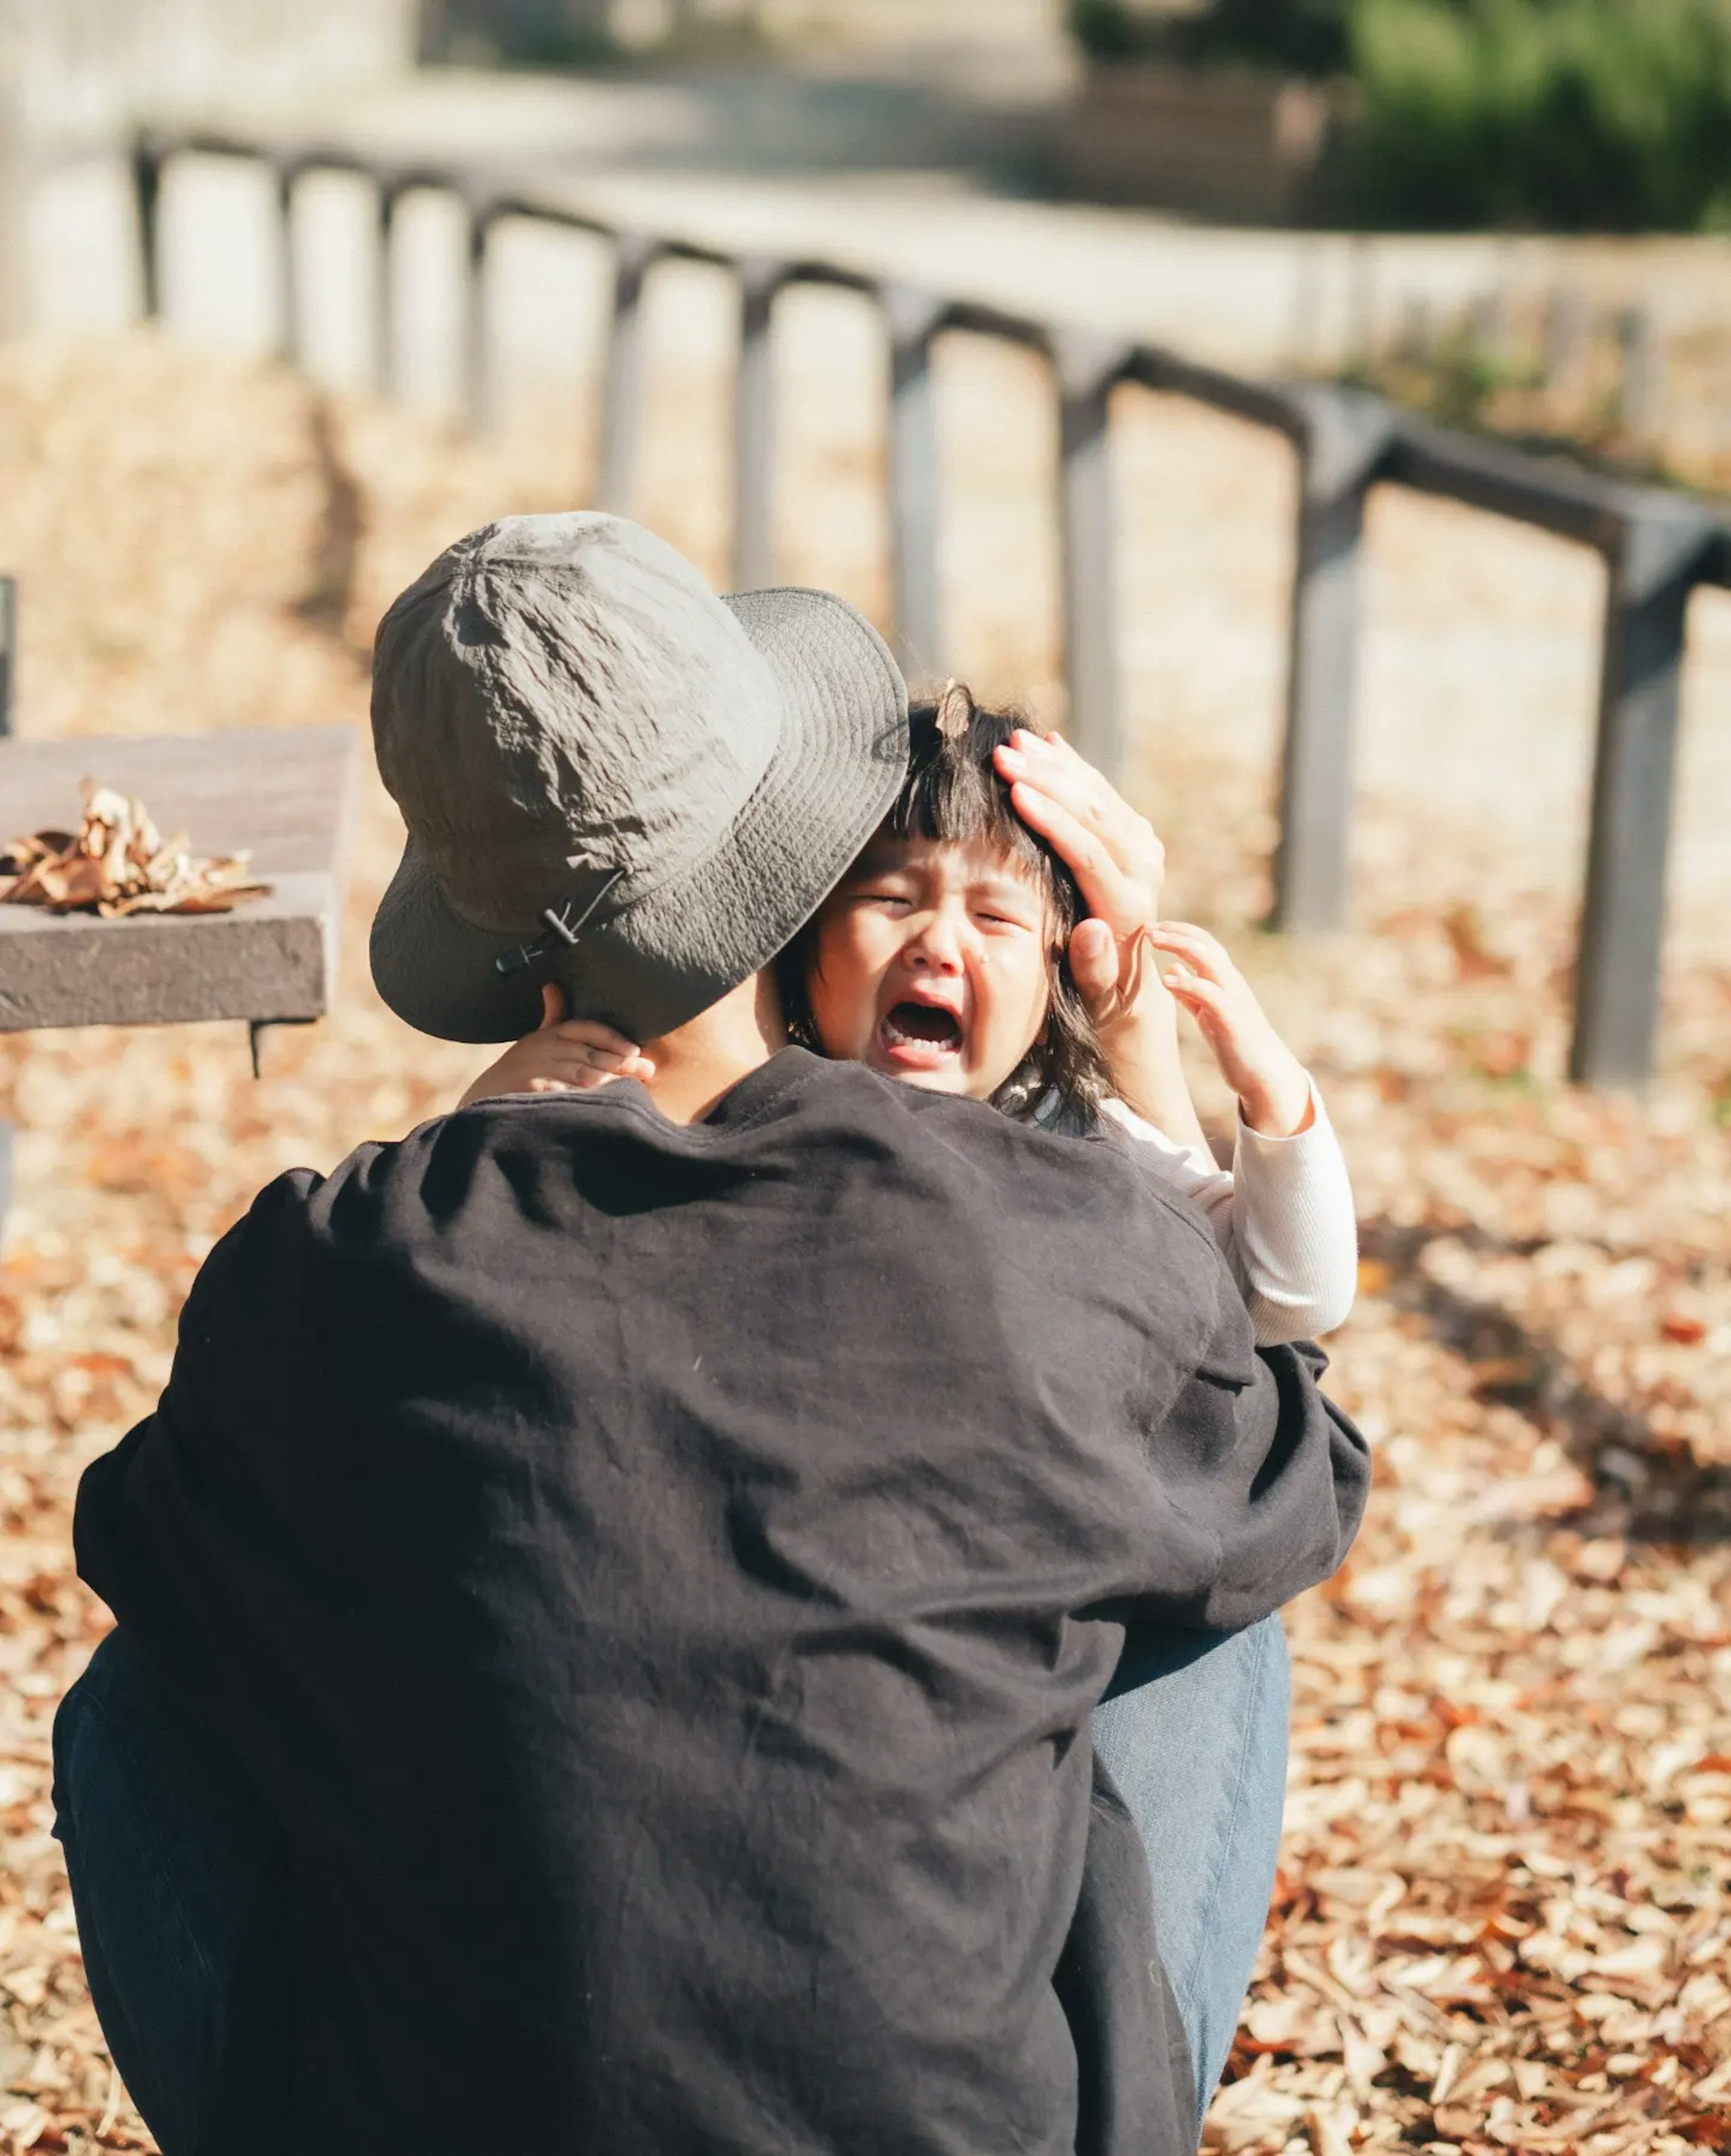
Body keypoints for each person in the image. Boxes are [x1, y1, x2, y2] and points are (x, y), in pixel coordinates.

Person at [54, 512, 1369, 2156]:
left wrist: (456, 1165)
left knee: (144, 1691)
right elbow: (1295, 1457)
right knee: (1210, 1615)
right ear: (802, 853)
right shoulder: (1045, 1234)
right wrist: (1145, 1056)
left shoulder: (335, 1269)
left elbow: (152, 1540)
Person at [456, 679, 1361, 2115]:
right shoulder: (745, 1145)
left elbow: (1278, 1303)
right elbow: (1251, 1404)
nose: (943, 941)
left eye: (999, 921)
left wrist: (1218, 1076)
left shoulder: (1061, 1150)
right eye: (890, 901)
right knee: (1218, 1622)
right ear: (800, 945)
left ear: (1056, 970)